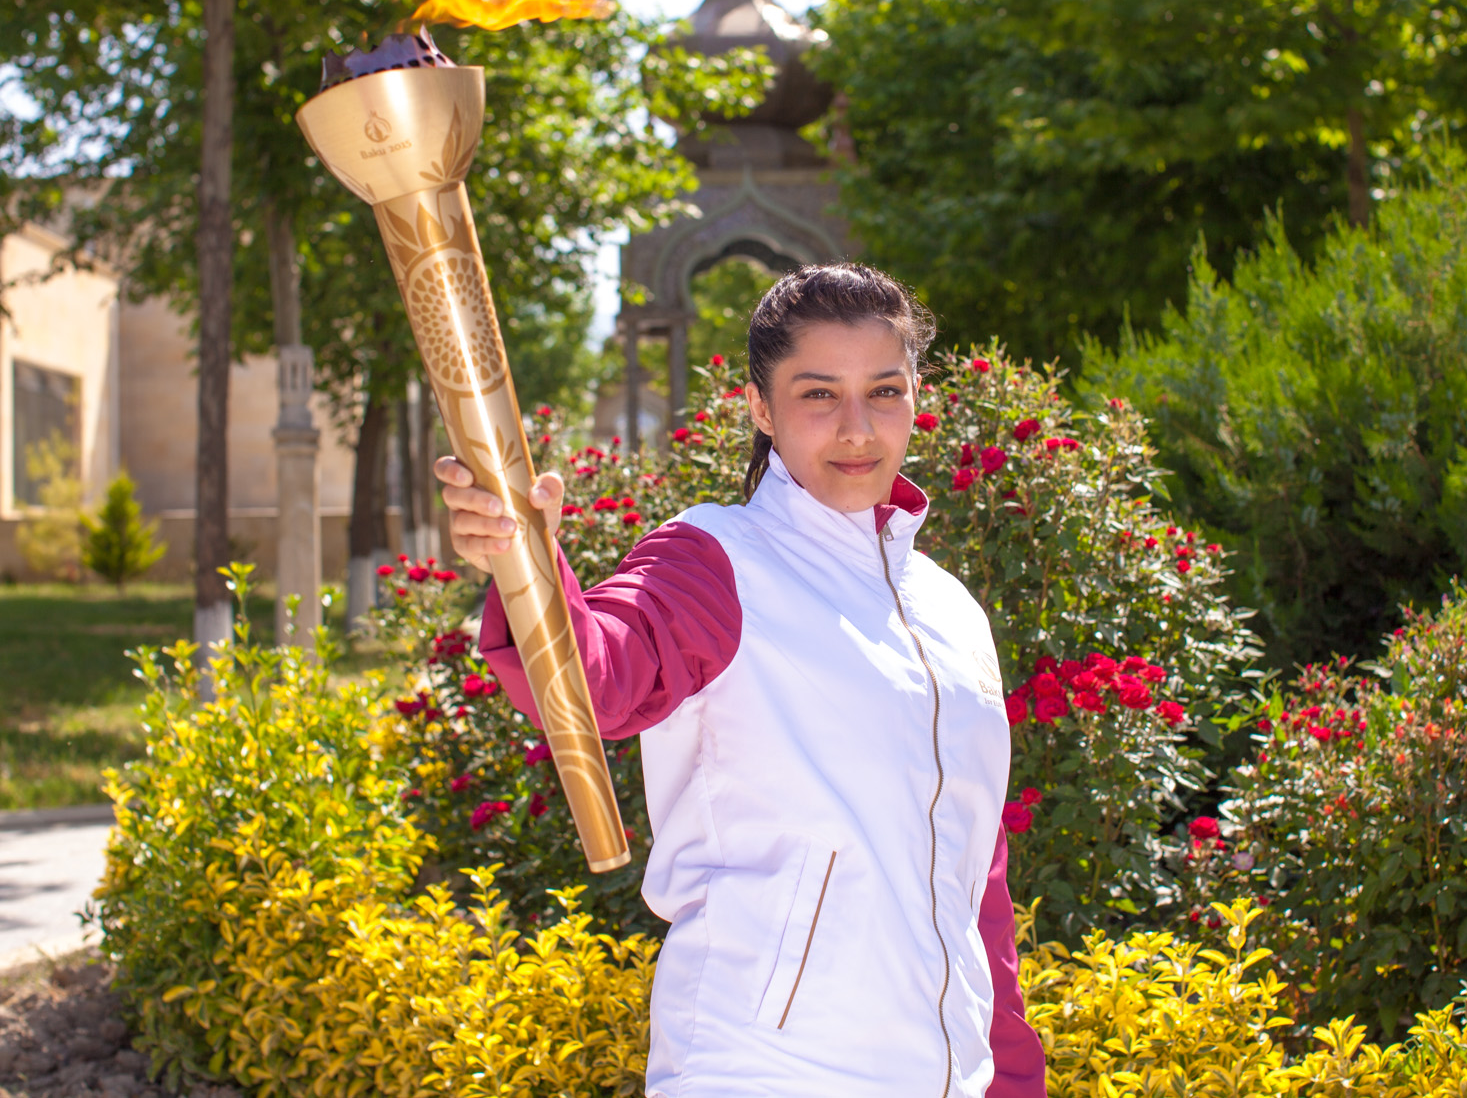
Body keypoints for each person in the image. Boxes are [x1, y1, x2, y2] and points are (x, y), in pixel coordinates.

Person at [434, 264, 1045, 1097]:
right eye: (819, 394)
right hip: (759, 1069)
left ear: (916, 396)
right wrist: (525, 565)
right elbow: (597, 679)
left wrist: (1009, 1075)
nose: (858, 428)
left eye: (885, 390)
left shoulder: (951, 611)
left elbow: (977, 877)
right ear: (760, 406)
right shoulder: (715, 559)